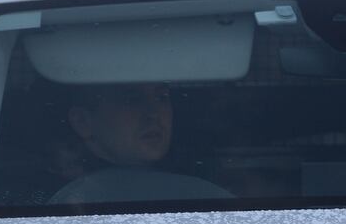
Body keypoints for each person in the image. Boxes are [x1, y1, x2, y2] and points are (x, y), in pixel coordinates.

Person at [49, 82, 232, 204]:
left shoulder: (207, 190)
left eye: (162, 97)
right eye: (132, 100)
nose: (154, 114)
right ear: (82, 121)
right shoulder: (62, 204)